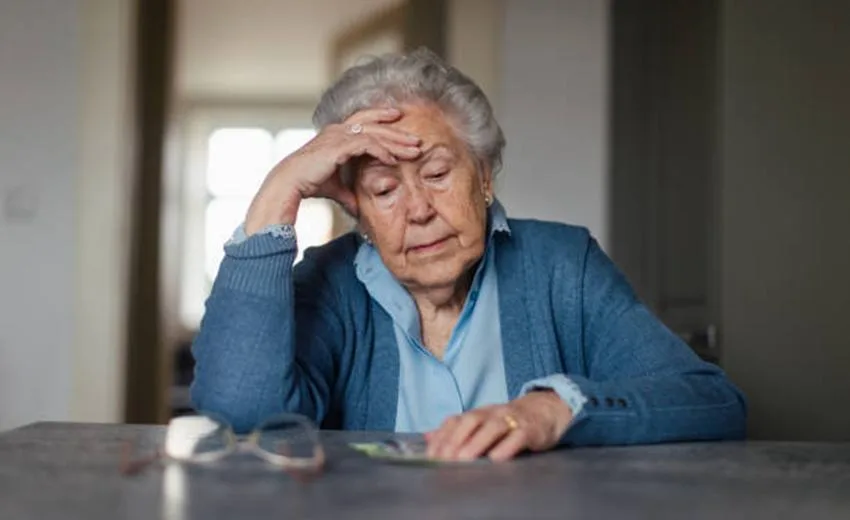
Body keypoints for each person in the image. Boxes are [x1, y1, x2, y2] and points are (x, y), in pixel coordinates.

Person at [191, 49, 746, 462]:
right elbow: (240, 414)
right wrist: (275, 197)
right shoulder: (330, 284)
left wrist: (554, 409)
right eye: (384, 191)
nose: (418, 210)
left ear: (483, 176)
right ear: (357, 207)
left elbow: (709, 400)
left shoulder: (561, 266)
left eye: (436, 174)